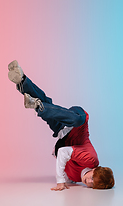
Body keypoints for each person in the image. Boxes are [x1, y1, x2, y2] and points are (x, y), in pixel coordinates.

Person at [8, 60, 115, 191]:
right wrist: (60, 181)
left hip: (62, 132)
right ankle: (39, 107)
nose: (88, 181)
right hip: (77, 121)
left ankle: (22, 81)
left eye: (92, 184)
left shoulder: (74, 178)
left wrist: (66, 179)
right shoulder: (91, 160)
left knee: (47, 103)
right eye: (93, 177)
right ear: (95, 170)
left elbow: (62, 159)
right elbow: (63, 153)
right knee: (74, 118)